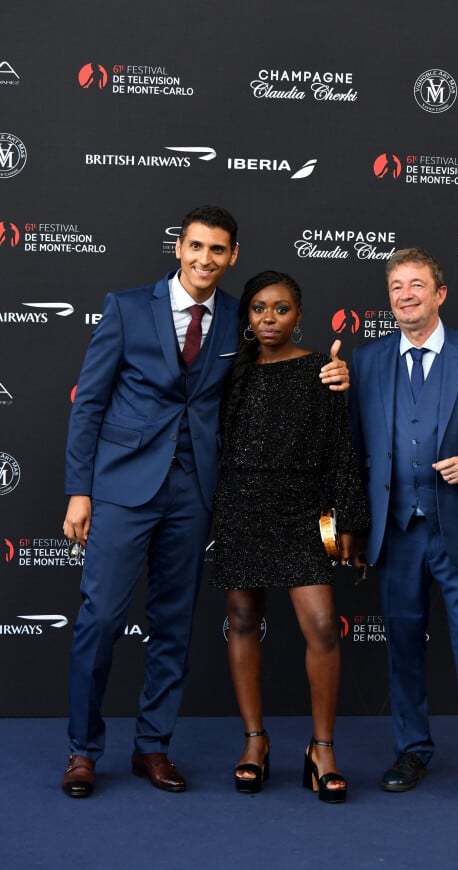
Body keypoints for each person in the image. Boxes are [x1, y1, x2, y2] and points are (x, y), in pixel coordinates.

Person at [61, 207, 350, 798]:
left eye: (217, 250)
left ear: (232, 257)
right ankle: (83, 750)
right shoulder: (125, 306)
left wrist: (336, 371)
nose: (204, 259)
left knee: (172, 625)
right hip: (121, 489)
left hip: (195, 495)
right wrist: (79, 490)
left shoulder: (236, 325)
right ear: (179, 248)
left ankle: (153, 747)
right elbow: (88, 403)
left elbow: (279, 368)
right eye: (196, 247)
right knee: (100, 620)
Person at [349, 247, 458, 804]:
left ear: (440, 293)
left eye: (417, 285)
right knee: (402, 645)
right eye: (397, 286)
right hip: (395, 531)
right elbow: (355, 448)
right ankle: (413, 749)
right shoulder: (367, 360)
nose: (405, 295)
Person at [210, 270, 369, 803]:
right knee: (242, 619)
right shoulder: (232, 374)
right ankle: (254, 742)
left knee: (323, 626)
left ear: (299, 314)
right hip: (241, 505)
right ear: (247, 317)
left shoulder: (323, 371)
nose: (269, 318)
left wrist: (347, 518)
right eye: (258, 309)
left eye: (280, 309)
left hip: (303, 511)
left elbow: (340, 450)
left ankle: (321, 748)